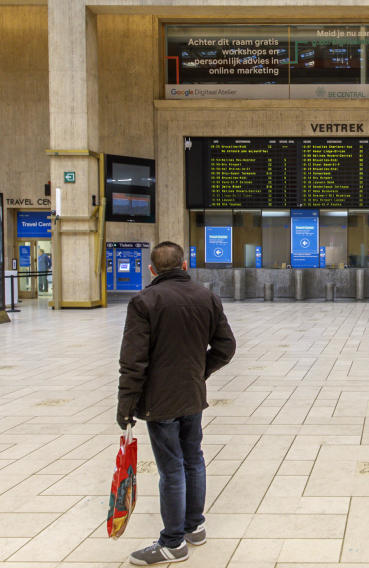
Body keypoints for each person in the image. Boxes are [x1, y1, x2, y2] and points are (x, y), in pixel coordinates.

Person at [117, 241, 236, 565]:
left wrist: (126, 404)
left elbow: (134, 361)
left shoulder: (144, 302)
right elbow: (226, 346)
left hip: (160, 400)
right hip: (192, 396)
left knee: (171, 469)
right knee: (193, 459)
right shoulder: (206, 296)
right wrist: (200, 372)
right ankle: (194, 527)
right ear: (184, 266)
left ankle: (172, 543)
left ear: (152, 270)